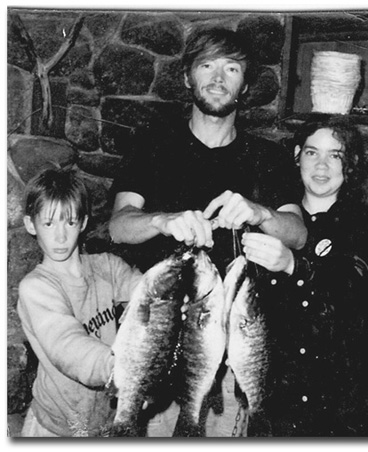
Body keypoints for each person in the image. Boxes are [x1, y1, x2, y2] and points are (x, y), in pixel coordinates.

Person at [109, 27, 307, 437]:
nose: (218, 79)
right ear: (187, 77)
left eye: (231, 68)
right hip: (153, 345)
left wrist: (260, 211)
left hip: (233, 357)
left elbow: (298, 233)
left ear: (246, 85)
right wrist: (160, 220)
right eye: (206, 66)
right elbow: (119, 225)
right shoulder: (153, 145)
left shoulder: (267, 157)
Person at [241, 116, 368, 436]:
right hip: (277, 406)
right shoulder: (271, 223)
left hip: (347, 409)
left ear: (351, 162)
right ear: (297, 156)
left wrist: (294, 266)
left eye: (335, 155)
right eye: (312, 153)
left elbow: (356, 291)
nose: (321, 165)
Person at [17, 167, 143, 437]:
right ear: (30, 224)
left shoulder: (107, 267)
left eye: (70, 222)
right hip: (56, 428)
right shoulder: (36, 288)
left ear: (83, 222)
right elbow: (68, 347)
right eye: (49, 224)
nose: (60, 237)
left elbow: (147, 292)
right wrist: (124, 370)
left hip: (106, 422)